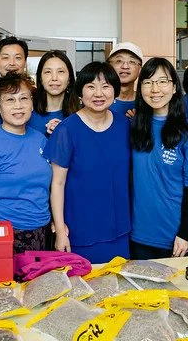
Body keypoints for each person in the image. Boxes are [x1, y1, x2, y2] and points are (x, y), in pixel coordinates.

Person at [44, 62, 131, 263]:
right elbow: (57, 184)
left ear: (115, 91)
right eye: (91, 86)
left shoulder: (124, 125)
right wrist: (60, 230)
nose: (98, 93)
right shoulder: (66, 130)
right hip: (80, 229)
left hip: (118, 228)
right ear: (80, 92)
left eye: (106, 86)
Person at [130, 58, 188, 260]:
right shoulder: (135, 127)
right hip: (138, 234)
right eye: (148, 82)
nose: (155, 89)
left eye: (162, 81)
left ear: (174, 87)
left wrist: (186, 232)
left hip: (175, 238)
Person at [0, 72, 52, 253]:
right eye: (10, 100)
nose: (18, 105)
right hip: (7, 231)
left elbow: (50, 187)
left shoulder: (41, 140)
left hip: (43, 228)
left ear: (32, 103)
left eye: (24, 98)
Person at [29, 50, 80, 136]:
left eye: (60, 71)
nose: (54, 78)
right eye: (48, 72)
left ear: (69, 79)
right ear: (40, 79)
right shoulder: (28, 114)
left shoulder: (81, 116)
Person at [107, 42, 143, 116]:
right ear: (109, 66)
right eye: (119, 61)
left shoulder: (146, 102)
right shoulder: (97, 100)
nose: (125, 66)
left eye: (132, 62)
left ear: (140, 70)